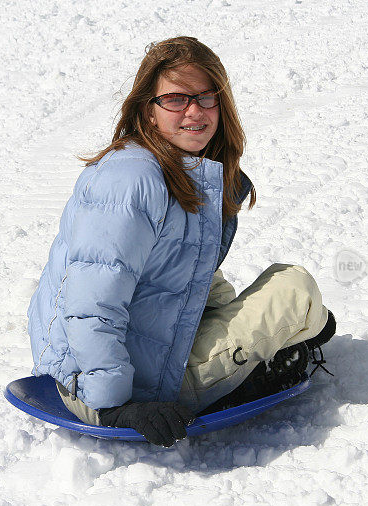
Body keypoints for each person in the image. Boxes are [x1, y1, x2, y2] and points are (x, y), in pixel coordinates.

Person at [27, 36, 335, 447]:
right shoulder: (132, 180)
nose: (195, 111)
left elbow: (188, 278)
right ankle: (292, 340)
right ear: (147, 111)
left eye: (207, 99)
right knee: (294, 289)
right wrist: (117, 405)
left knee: (226, 287)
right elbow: (90, 306)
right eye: (176, 99)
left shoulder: (169, 169)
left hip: (104, 364)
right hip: (113, 390)